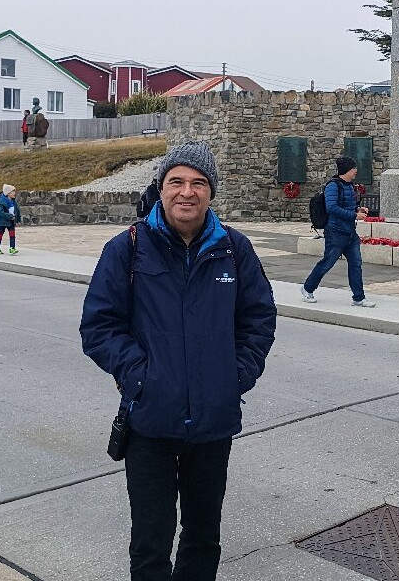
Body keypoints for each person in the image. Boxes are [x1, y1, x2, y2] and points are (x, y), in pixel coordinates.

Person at [80, 141, 277, 581]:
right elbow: (98, 326)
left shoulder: (234, 250)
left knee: (203, 535)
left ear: (211, 193)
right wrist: (139, 378)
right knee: (151, 538)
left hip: (212, 423)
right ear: (162, 188)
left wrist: (235, 376)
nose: (187, 192)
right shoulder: (127, 249)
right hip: (149, 421)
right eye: (177, 182)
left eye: (198, 183)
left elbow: (259, 318)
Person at [301, 156, 376, 308]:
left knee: (356, 264)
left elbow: (348, 205)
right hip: (335, 233)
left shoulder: (349, 185)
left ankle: (358, 297)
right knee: (327, 263)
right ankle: (307, 288)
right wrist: (355, 215)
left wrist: (358, 209)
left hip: (350, 233)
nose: (356, 171)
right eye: (354, 168)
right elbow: (332, 208)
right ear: (347, 170)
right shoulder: (333, 186)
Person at [0, 184, 21, 254]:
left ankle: (12, 248)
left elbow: (17, 210)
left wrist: (18, 219)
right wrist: (9, 216)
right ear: (8, 193)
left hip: (11, 221)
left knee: (12, 235)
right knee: (0, 234)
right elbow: (1, 213)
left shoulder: (13, 201)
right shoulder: (2, 202)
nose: (15, 193)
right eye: (13, 191)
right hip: (2, 221)